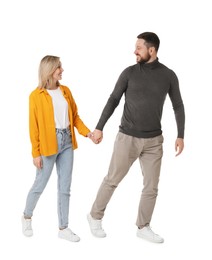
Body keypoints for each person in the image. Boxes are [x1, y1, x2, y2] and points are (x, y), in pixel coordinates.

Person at [87, 32, 185, 243]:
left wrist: (181, 135)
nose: (135, 51)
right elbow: (113, 99)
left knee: (151, 186)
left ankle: (143, 226)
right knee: (112, 179)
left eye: (138, 47)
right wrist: (99, 127)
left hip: (154, 142)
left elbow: (178, 105)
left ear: (152, 50)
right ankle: (94, 216)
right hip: (127, 138)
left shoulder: (168, 75)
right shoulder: (129, 73)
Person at [22, 55, 94, 242]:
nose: (62, 70)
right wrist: (35, 153)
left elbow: (75, 117)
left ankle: (63, 227)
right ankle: (27, 216)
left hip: (67, 142)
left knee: (65, 187)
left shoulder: (66, 91)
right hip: (48, 143)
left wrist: (88, 133)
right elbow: (33, 127)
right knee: (40, 184)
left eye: (60, 67)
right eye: (58, 67)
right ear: (49, 71)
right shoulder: (35, 96)